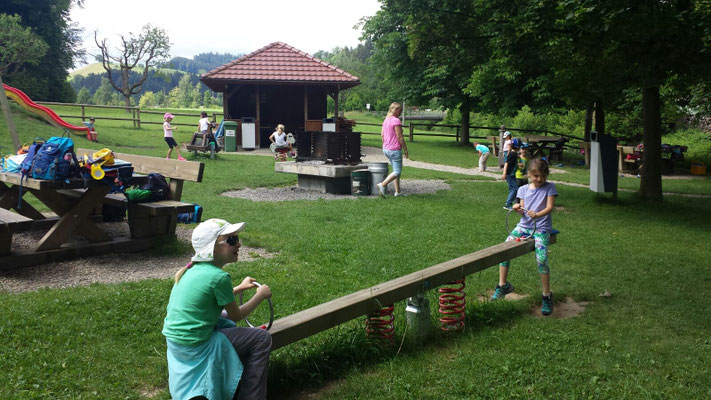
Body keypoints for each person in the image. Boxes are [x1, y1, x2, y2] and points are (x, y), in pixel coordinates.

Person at [162, 219, 273, 400]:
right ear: (213, 249)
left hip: (177, 341)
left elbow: (210, 298)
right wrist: (260, 296)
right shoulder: (219, 277)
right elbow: (236, 315)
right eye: (231, 240)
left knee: (221, 316)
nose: (238, 244)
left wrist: (240, 288)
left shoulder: (191, 270)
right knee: (262, 338)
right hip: (198, 343)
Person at [491, 158, 558, 316]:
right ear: (529, 174)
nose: (539, 179)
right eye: (536, 176)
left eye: (542, 176)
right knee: (504, 249)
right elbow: (522, 209)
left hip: (541, 228)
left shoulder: (550, 187)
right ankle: (503, 285)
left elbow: (550, 207)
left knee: (541, 258)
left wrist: (537, 214)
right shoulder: (523, 189)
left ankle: (547, 295)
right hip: (524, 227)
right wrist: (517, 208)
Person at [376, 102, 409, 197]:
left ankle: (397, 192)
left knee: (395, 171)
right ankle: (382, 185)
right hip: (394, 150)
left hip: (386, 149)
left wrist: (385, 145)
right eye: (400, 110)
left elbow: (382, 135)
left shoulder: (386, 120)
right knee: (397, 171)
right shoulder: (396, 121)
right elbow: (400, 137)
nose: (401, 112)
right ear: (395, 110)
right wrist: (405, 150)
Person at [501, 138, 520, 209]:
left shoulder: (514, 154)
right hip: (509, 174)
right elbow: (506, 163)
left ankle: (514, 203)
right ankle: (507, 204)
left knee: (512, 188)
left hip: (512, 174)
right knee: (514, 189)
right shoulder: (512, 154)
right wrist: (504, 173)